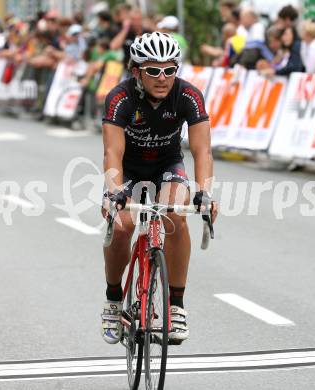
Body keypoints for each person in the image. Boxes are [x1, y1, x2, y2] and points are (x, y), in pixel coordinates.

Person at [101, 32, 217, 345]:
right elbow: (112, 152)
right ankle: (113, 301)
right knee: (122, 226)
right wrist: (113, 191)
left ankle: (176, 306)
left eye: (170, 69)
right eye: (153, 70)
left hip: (167, 166)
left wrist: (204, 191)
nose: (163, 78)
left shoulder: (189, 95)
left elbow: (202, 150)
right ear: (136, 71)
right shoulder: (120, 97)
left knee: (176, 217)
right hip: (128, 169)